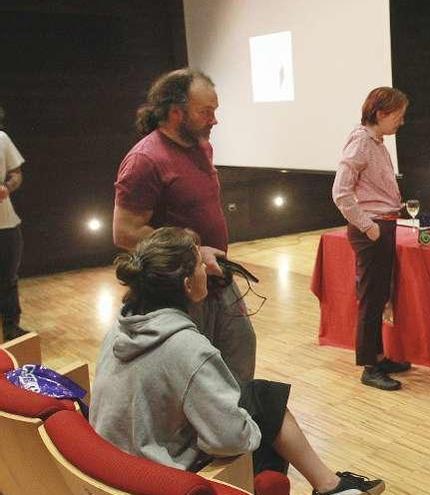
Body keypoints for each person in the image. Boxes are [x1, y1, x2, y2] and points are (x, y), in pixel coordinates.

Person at [90, 227, 385, 495]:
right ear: (188, 284)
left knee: (259, 400)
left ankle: (331, 487)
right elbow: (232, 439)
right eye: (199, 262)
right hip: (166, 480)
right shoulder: (188, 348)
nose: (208, 267)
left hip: (116, 471)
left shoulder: (119, 328)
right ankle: (332, 488)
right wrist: (246, 421)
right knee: (262, 411)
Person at [112, 68, 255, 385]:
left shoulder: (201, 146)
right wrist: (193, 252)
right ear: (176, 113)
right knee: (196, 375)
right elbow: (125, 232)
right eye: (206, 112)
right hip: (177, 290)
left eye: (215, 111)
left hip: (215, 275)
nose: (214, 120)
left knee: (239, 354)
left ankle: (237, 428)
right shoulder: (144, 160)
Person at [332, 87, 412, 391]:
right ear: (380, 113)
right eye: (398, 116)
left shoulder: (376, 142)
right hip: (373, 229)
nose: (401, 123)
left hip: (384, 224)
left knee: (379, 296)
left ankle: (378, 356)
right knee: (371, 298)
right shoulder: (361, 142)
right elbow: (341, 192)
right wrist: (369, 226)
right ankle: (369, 366)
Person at [0, 105, 28, 341]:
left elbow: (16, 173)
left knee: (8, 278)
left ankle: (11, 328)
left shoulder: (2, 139)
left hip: (5, 223)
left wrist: (7, 187)